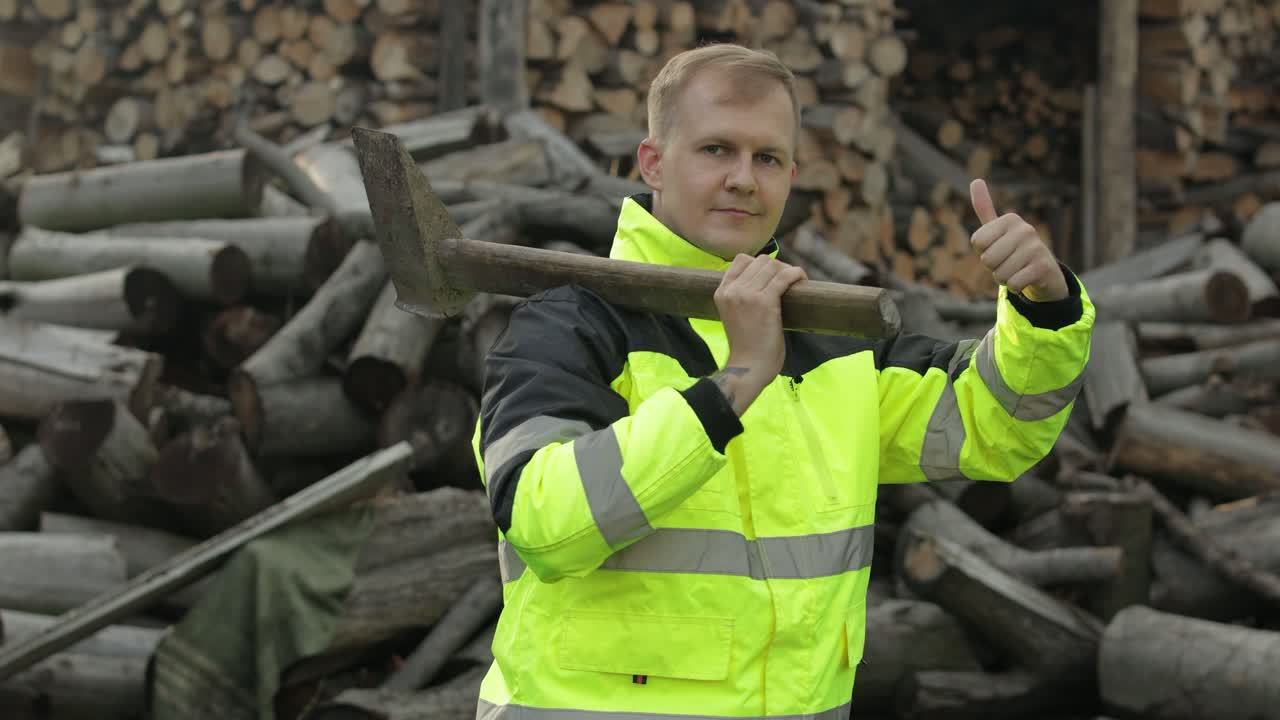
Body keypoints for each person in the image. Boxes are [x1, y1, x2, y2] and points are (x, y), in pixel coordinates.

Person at [470, 43, 1094, 719]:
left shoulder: (835, 347)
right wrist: (733, 383)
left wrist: (1044, 307)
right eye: (716, 149)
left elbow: (996, 426)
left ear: (791, 176)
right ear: (652, 163)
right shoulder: (569, 327)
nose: (744, 179)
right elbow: (545, 524)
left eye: (767, 158)